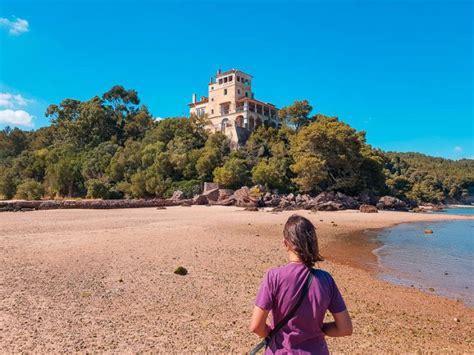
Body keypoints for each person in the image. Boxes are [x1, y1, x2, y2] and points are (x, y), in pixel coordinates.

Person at [249, 214, 352, 354]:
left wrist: (272, 334)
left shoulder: (274, 276)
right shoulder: (326, 280)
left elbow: (256, 326)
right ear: (313, 243)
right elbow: (344, 328)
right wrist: (318, 328)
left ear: (285, 243)